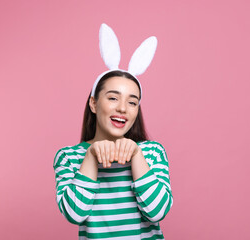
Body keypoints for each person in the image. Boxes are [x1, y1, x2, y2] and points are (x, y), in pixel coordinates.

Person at [53, 24, 173, 240]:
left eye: (132, 102)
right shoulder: (69, 157)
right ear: (93, 103)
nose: (122, 108)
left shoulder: (152, 152)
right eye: (113, 98)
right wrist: (90, 157)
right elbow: (75, 214)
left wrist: (136, 155)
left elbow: (158, 211)